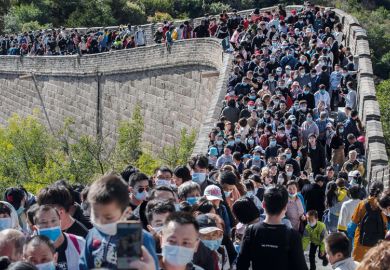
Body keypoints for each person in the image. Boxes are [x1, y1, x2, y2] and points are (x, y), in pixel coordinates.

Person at [79, 174, 158, 269]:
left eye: (108, 217)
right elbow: (84, 265)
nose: (100, 222)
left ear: (127, 213)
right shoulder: (92, 234)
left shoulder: (143, 238)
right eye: (95, 215)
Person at [237, 186, 308, 270]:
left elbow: (241, 264)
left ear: (263, 204)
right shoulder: (293, 235)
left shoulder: (251, 231)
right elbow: (301, 267)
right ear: (285, 207)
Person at [33, 205, 85, 269]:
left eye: (53, 220)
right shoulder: (31, 250)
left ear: (60, 221)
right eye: (43, 222)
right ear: (35, 228)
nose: (50, 226)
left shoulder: (79, 243)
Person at [348, 181, 387, 262]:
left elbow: (352, 227)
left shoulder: (362, 204)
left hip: (360, 247)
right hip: (378, 248)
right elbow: (387, 227)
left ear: (369, 190)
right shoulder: (384, 206)